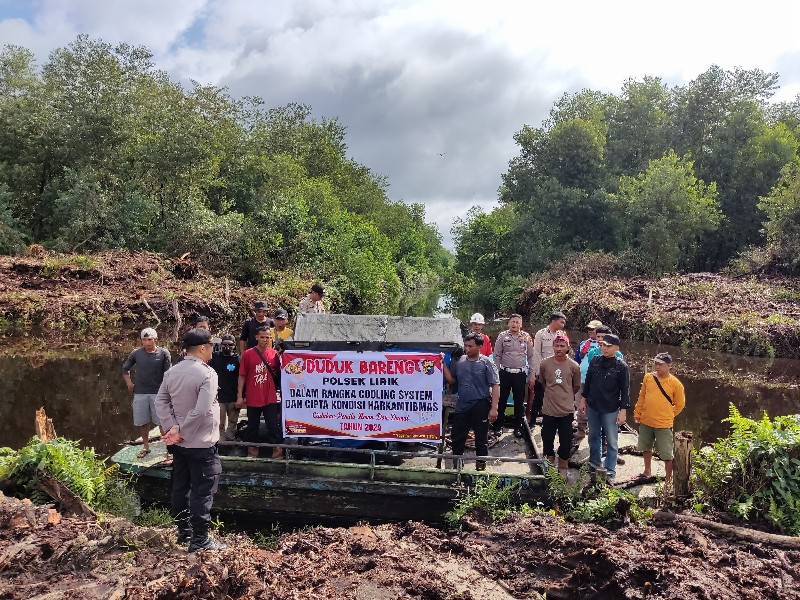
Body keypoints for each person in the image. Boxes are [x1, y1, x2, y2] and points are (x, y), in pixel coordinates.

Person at [155, 328, 225, 551]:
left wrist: (172, 427)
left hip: (180, 445)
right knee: (202, 491)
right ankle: (200, 540)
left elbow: (161, 402)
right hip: (201, 443)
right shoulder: (207, 374)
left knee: (181, 487)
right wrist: (181, 431)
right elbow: (202, 410)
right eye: (212, 346)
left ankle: (184, 532)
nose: (214, 350)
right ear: (203, 348)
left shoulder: (172, 372)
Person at [442, 332, 500, 471]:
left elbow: (495, 385)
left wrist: (494, 408)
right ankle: (457, 467)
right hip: (462, 405)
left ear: (480, 346)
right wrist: (442, 363)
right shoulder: (461, 360)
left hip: (480, 404)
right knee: (457, 437)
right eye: (465, 345)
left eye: (470, 346)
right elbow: (452, 380)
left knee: (481, 439)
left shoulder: (487, 362)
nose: (467, 348)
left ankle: (480, 468)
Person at [579, 333, 630, 481]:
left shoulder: (621, 366)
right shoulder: (595, 360)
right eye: (602, 345)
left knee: (612, 440)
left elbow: (625, 390)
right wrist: (583, 399)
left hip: (610, 408)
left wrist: (623, 410)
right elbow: (587, 382)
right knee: (593, 436)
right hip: (593, 405)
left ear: (616, 348)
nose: (604, 348)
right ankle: (594, 464)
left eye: (608, 346)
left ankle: (610, 470)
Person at [634, 352, 686, 483]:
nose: (657, 367)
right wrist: (637, 412)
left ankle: (668, 480)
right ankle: (647, 471)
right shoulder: (648, 378)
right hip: (646, 420)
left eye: (661, 364)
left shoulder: (676, 384)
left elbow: (680, 404)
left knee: (667, 454)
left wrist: (668, 414)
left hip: (663, 424)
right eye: (656, 364)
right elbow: (642, 396)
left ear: (669, 366)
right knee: (646, 447)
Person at [122, 327, 172, 459]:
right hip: (140, 393)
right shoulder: (136, 353)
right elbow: (125, 369)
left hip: (158, 393)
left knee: (162, 421)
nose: (146, 342)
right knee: (142, 421)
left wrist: (168, 391)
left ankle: (169, 449)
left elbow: (169, 374)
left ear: (155, 339)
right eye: (144, 339)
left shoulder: (163, 353)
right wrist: (129, 383)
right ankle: (145, 447)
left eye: (149, 339)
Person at [236, 326, 282, 458]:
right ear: (256, 337)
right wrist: (240, 396)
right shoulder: (248, 354)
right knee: (252, 426)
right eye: (262, 337)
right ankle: (252, 452)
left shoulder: (274, 355)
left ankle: (277, 452)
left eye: (268, 337)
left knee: (273, 426)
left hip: (270, 397)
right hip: (253, 397)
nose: (265, 340)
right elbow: (242, 375)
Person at [540, 333, 581, 478]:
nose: (559, 348)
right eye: (556, 345)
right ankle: (549, 463)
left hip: (566, 411)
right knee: (547, 437)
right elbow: (544, 383)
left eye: (562, 345)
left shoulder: (574, 366)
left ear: (568, 347)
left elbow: (575, 387)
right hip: (549, 410)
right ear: (553, 347)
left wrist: (565, 396)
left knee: (565, 439)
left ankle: (563, 466)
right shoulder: (545, 364)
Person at [493, 314, 534, 439]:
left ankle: (518, 427)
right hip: (504, 373)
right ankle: (498, 425)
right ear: (508, 323)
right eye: (512, 322)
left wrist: (532, 374)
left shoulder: (526, 337)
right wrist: (496, 374)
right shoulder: (502, 336)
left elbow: (531, 357)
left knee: (519, 401)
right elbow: (496, 356)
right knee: (502, 400)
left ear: (521, 324)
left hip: (520, 374)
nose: (514, 324)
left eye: (517, 322)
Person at [531, 311, 567, 425]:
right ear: (554, 321)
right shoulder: (541, 334)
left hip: (558, 371)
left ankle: (552, 420)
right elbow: (536, 354)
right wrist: (537, 372)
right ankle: (532, 420)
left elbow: (566, 352)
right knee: (539, 396)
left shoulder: (562, 335)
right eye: (561, 322)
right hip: (544, 371)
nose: (563, 324)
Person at [573, 320, 604, 440]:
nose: (590, 331)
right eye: (589, 329)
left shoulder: (605, 346)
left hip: (597, 383)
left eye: (594, 329)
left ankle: (595, 431)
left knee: (595, 406)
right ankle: (581, 431)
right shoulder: (583, 343)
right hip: (582, 380)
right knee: (579, 404)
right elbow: (576, 360)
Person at [209, 334, 240, 441]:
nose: (227, 347)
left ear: (234, 346)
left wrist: (241, 396)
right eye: (224, 344)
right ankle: (220, 440)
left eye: (230, 344)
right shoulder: (214, 357)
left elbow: (242, 378)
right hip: (219, 396)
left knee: (233, 421)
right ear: (221, 345)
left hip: (233, 395)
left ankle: (230, 439)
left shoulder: (238, 359)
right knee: (219, 421)